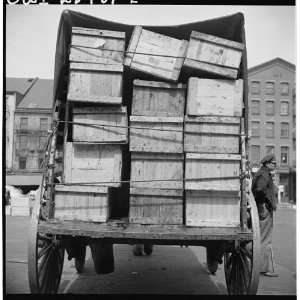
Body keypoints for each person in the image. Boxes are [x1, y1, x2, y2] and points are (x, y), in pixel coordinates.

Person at [251, 153, 279, 277]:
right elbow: (258, 190)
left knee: (262, 238)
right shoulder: (264, 174)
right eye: (274, 163)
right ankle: (262, 268)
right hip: (264, 209)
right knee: (264, 239)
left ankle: (260, 266)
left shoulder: (262, 173)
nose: (275, 165)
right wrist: (263, 204)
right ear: (267, 163)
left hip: (263, 208)